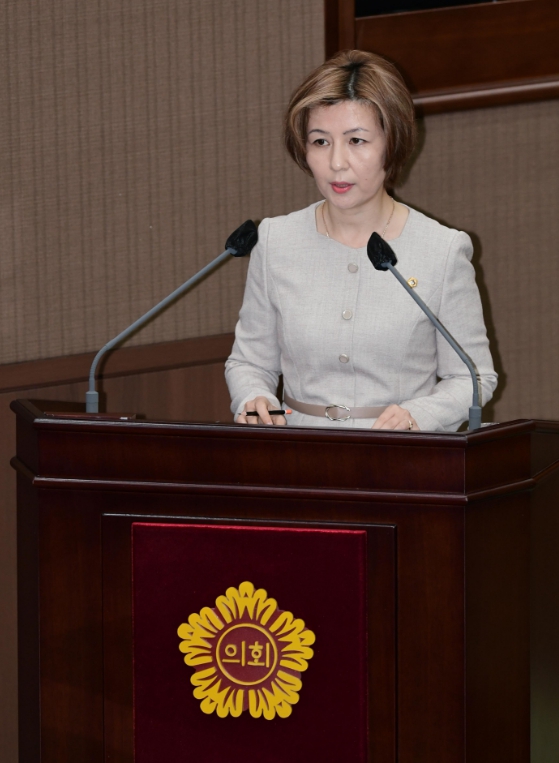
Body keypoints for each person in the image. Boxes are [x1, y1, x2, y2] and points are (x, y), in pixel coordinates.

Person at [225, 50, 497, 432]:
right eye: (320, 142)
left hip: (401, 454)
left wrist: (419, 415)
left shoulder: (442, 250)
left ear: (392, 142)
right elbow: (249, 362)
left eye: (356, 140)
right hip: (296, 452)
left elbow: (473, 376)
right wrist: (254, 397)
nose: (337, 162)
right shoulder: (275, 241)